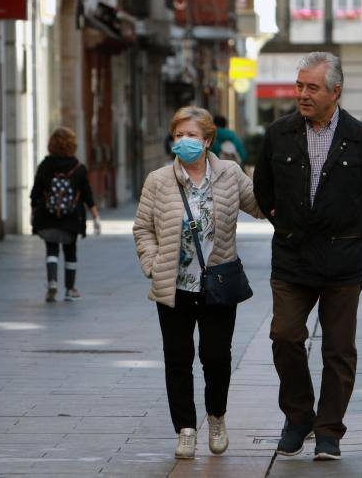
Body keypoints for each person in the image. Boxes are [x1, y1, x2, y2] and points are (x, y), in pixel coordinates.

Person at [253, 52, 362, 461]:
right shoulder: (278, 134)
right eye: (299, 86)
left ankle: (328, 430)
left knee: (338, 349)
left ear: (336, 91)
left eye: (312, 87)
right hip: (292, 256)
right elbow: (263, 188)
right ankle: (298, 418)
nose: (302, 94)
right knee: (285, 335)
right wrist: (288, 222)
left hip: (342, 260)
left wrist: (345, 227)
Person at [133, 106, 264, 460]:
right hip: (173, 285)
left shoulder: (230, 174)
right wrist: (151, 262)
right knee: (178, 358)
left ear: (207, 140)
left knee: (216, 356)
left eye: (192, 135)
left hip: (218, 282)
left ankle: (216, 416)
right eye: (178, 135)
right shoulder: (158, 180)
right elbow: (142, 227)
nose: (184, 141)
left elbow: (261, 206)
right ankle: (186, 429)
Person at [30, 127, 100, 302]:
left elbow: (35, 193)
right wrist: (96, 217)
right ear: (72, 145)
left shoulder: (45, 166)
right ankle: (70, 289)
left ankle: (52, 282)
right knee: (70, 251)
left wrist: (33, 213)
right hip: (71, 218)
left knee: (51, 250)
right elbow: (87, 195)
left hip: (48, 216)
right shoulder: (79, 168)